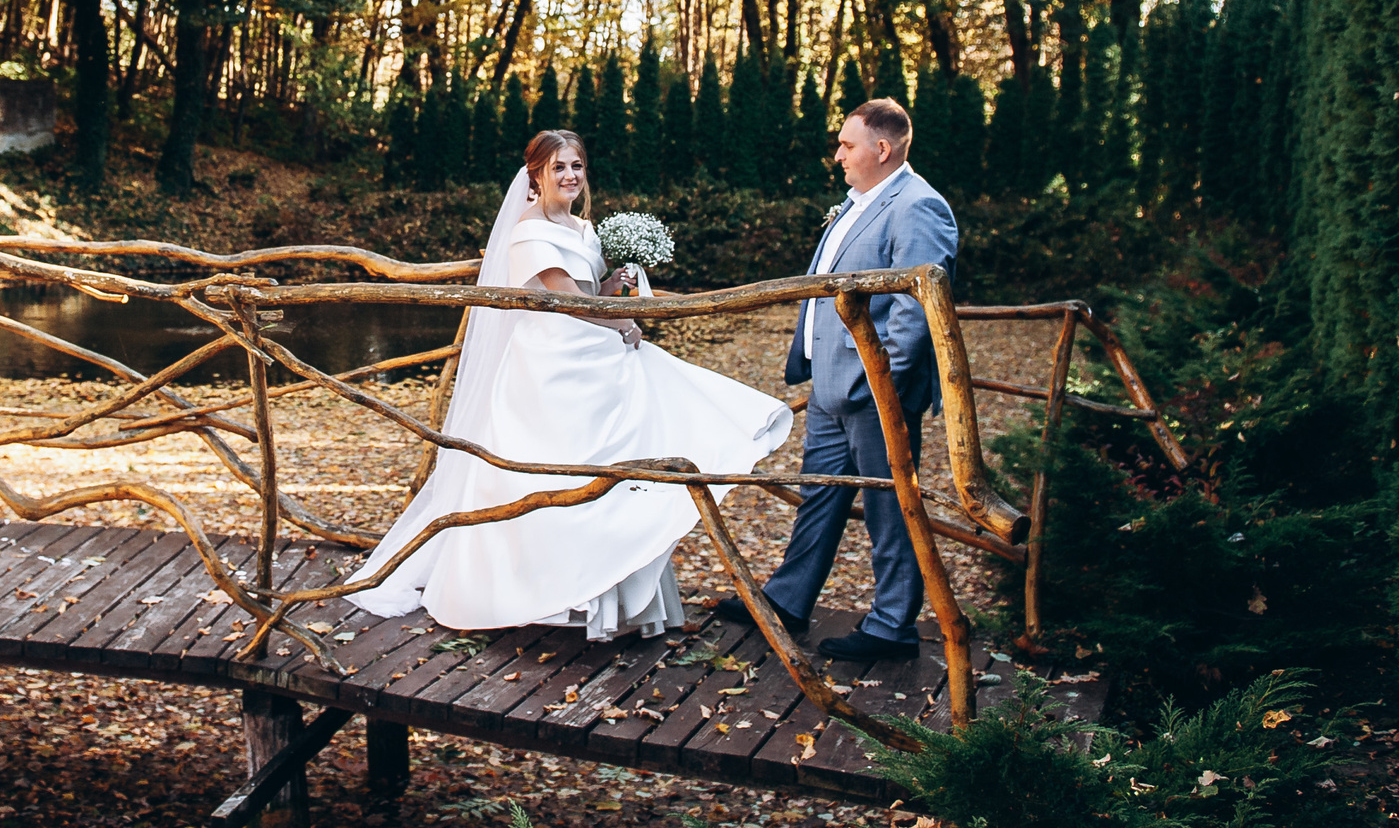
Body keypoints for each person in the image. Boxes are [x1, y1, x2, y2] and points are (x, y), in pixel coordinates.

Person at [346, 129, 792, 638]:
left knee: (619, 471)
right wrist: (623, 322)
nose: (570, 176)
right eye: (558, 167)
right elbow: (567, 301)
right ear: (535, 174)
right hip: (551, 372)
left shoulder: (585, 229)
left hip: (599, 362)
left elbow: (593, 292)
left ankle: (610, 602)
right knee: (560, 477)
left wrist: (621, 281)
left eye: (577, 166)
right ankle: (547, 598)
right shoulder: (527, 232)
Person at [711, 97, 958, 662]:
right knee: (818, 497)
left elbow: (915, 308)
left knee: (890, 507)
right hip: (830, 385)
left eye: (847, 144)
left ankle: (893, 625)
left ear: (882, 149)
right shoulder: (859, 201)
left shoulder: (918, 206)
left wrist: (879, 382)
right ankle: (787, 599)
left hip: (875, 391)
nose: (838, 154)